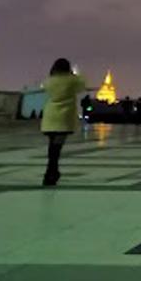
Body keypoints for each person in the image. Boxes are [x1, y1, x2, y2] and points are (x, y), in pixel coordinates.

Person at [41, 58, 86, 187]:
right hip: (63, 116)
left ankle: (51, 172)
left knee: (52, 145)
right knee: (57, 147)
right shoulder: (72, 80)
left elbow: (45, 88)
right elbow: (82, 85)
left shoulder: (49, 80)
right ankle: (51, 173)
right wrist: (74, 74)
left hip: (50, 115)